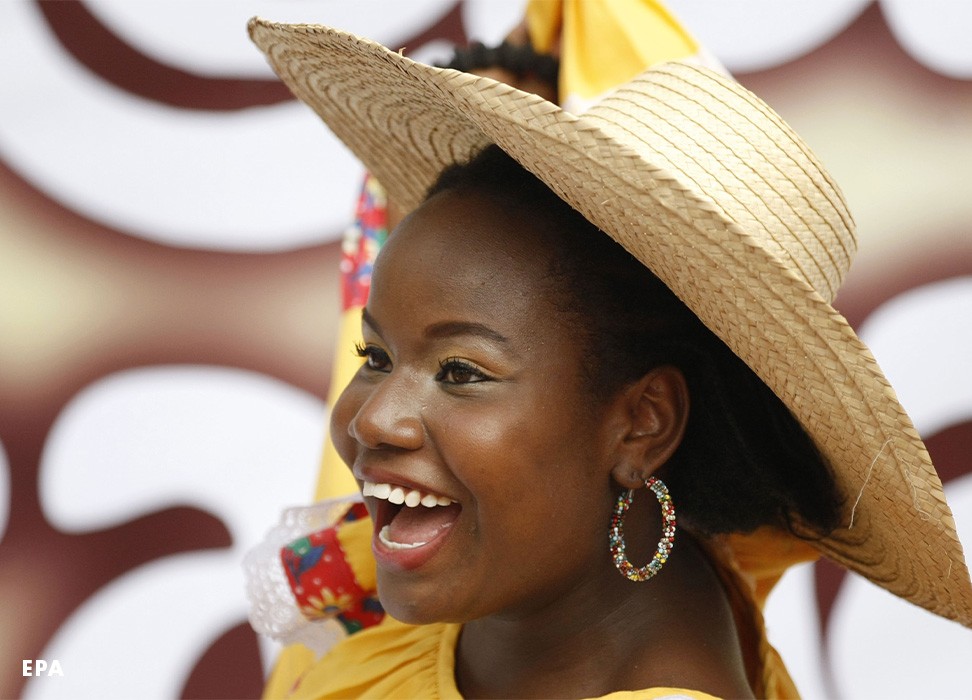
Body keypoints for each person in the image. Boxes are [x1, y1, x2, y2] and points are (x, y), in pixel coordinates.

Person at [244, 16, 972, 700]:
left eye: (461, 372)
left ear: (643, 424)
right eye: (375, 354)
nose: (374, 418)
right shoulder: (508, 584)